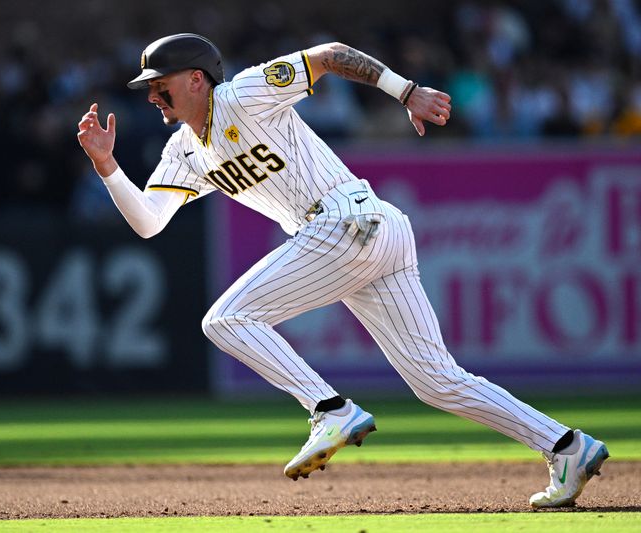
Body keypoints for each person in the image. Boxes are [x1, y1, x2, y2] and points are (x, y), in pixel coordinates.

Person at [77, 33, 608, 508]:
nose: (151, 95)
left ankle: (329, 410)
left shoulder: (240, 94)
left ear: (196, 79)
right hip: (371, 232)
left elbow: (329, 56)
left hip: (345, 220)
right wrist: (107, 166)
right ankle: (567, 447)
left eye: (159, 84)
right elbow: (149, 222)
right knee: (437, 382)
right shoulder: (183, 152)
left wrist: (407, 92)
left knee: (226, 320)